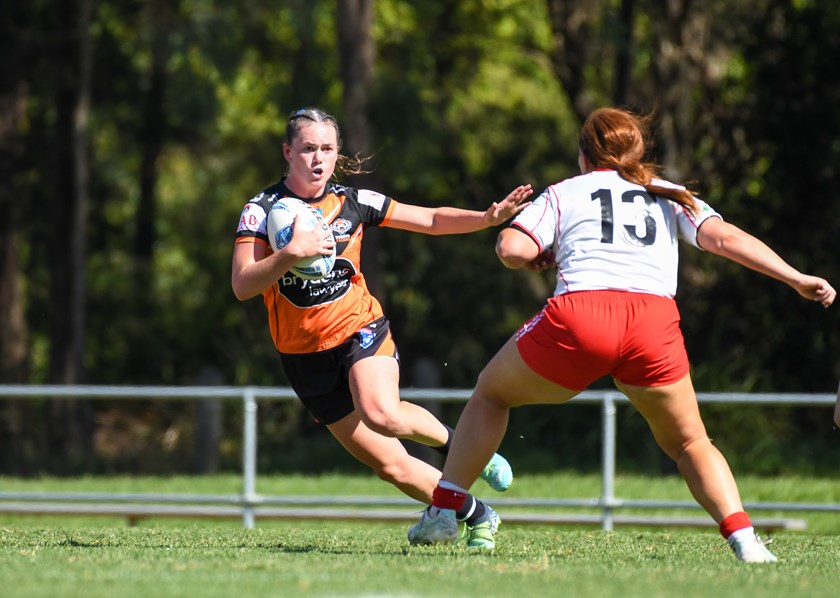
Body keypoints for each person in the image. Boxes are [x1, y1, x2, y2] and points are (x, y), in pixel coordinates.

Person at [408, 107, 836, 561]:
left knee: (492, 393)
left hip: (582, 316)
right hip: (653, 322)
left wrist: (534, 252)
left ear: (584, 155)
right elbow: (724, 239)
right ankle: (746, 540)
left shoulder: (564, 192)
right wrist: (795, 278)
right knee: (690, 441)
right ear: (637, 151)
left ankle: (445, 510)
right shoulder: (670, 193)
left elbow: (511, 248)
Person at [232, 107, 533, 549]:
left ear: (337, 155)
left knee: (381, 412)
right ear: (287, 152)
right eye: (308, 148)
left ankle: (464, 446)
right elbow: (242, 285)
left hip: (360, 330)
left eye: (328, 149)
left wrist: (485, 219)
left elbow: (428, 219)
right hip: (303, 357)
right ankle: (475, 513)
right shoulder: (260, 211)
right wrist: (290, 254)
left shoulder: (354, 202)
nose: (318, 159)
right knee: (392, 466)